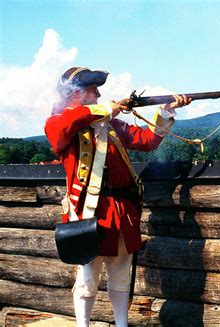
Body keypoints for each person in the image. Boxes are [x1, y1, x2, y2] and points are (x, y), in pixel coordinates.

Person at [44, 67, 191, 326]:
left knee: (121, 275)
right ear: (74, 93)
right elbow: (67, 124)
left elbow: (147, 140)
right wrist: (108, 109)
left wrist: (167, 110)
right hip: (89, 213)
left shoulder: (110, 125)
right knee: (88, 277)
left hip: (121, 212)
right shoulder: (59, 122)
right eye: (92, 89)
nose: (99, 93)